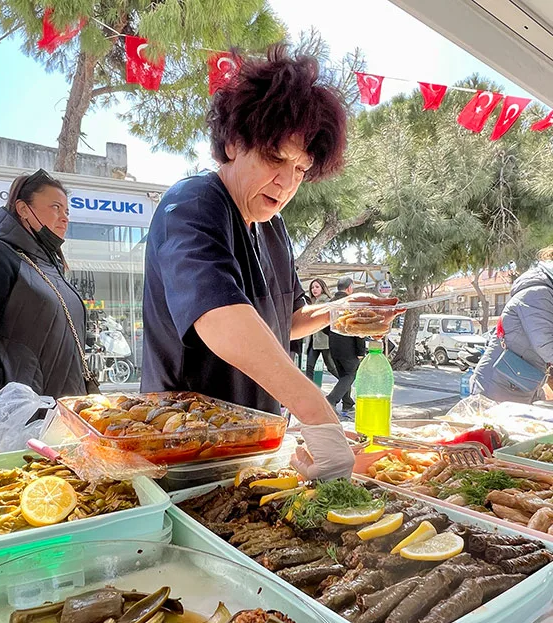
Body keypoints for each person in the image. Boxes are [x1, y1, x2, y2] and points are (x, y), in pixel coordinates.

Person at [141, 48, 398, 480]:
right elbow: (220, 318)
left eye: (300, 168)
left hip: (255, 448)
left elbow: (288, 319)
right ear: (233, 144)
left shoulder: (272, 226)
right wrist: (317, 412)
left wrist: (342, 310)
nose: (286, 182)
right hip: (187, 456)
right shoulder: (192, 205)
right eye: (275, 159)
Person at [0, 169, 90, 419]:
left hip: (54, 414)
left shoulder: (46, 264)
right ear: (23, 209)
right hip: (11, 419)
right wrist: (1, 393)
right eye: (55, 207)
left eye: (66, 211)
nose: (64, 218)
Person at [472, 248, 553, 403]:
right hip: (499, 386)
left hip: (518, 382)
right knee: (489, 427)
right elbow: (546, 345)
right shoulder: (537, 293)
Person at [327, 277, 365, 417]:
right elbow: (358, 328)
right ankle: (331, 400)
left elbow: (324, 326)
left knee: (343, 376)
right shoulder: (351, 303)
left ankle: (348, 404)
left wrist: (332, 334)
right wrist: (361, 350)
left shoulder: (330, 303)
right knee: (350, 374)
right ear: (349, 288)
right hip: (350, 347)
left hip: (334, 345)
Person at [304, 279, 338, 381]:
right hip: (313, 340)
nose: (314, 289)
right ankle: (309, 392)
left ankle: (345, 383)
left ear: (323, 288)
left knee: (331, 367)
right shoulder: (312, 303)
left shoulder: (328, 302)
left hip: (324, 340)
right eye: (312, 287)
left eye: (317, 287)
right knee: (309, 367)